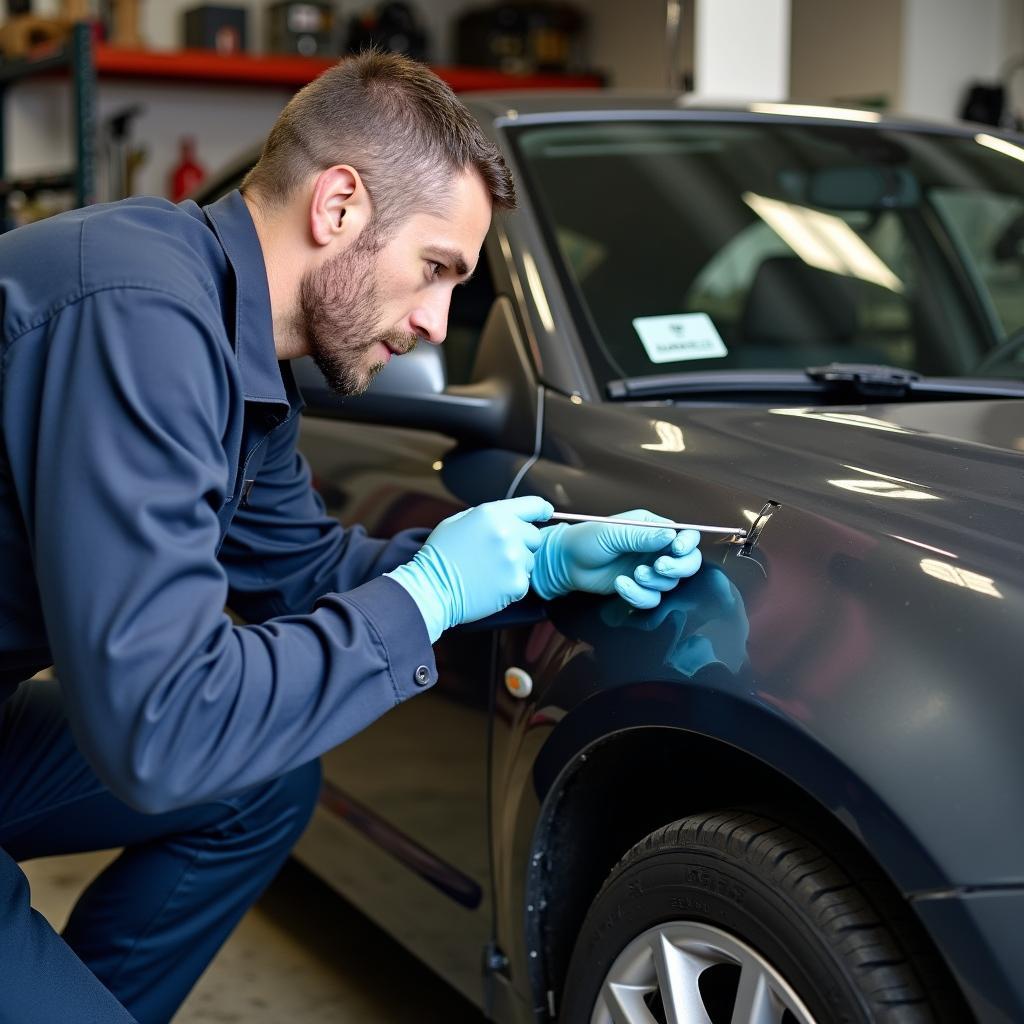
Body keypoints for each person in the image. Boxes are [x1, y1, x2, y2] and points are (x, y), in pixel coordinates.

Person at [0, 51, 701, 1023]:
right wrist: (429, 596)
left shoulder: (236, 351)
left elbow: (309, 573)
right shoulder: (138, 321)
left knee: (263, 784)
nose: (432, 322)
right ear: (337, 206)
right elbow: (157, 726)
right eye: (436, 270)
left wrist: (535, 565)